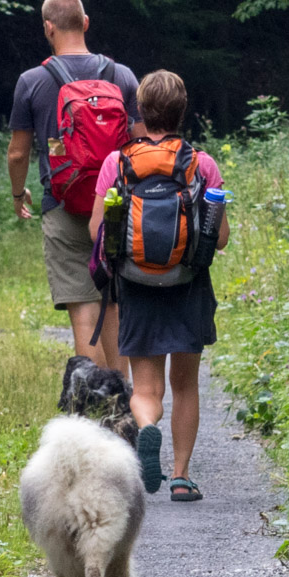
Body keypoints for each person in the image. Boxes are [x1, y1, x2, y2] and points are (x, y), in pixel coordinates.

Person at [88, 69, 229, 502]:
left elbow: (96, 228)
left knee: (147, 389)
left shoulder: (117, 163)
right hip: (188, 285)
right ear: (182, 112)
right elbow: (219, 238)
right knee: (185, 383)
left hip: (137, 285)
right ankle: (182, 477)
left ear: (140, 112)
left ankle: (148, 428)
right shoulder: (202, 164)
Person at [7, 0, 144, 370]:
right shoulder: (123, 76)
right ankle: (124, 404)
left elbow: (17, 152)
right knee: (113, 303)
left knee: (84, 310)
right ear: (85, 23)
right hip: (117, 205)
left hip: (62, 204)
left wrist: (19, 194)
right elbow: (142, 143)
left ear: (47, 28)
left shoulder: (32, 81)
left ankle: (99, 405)